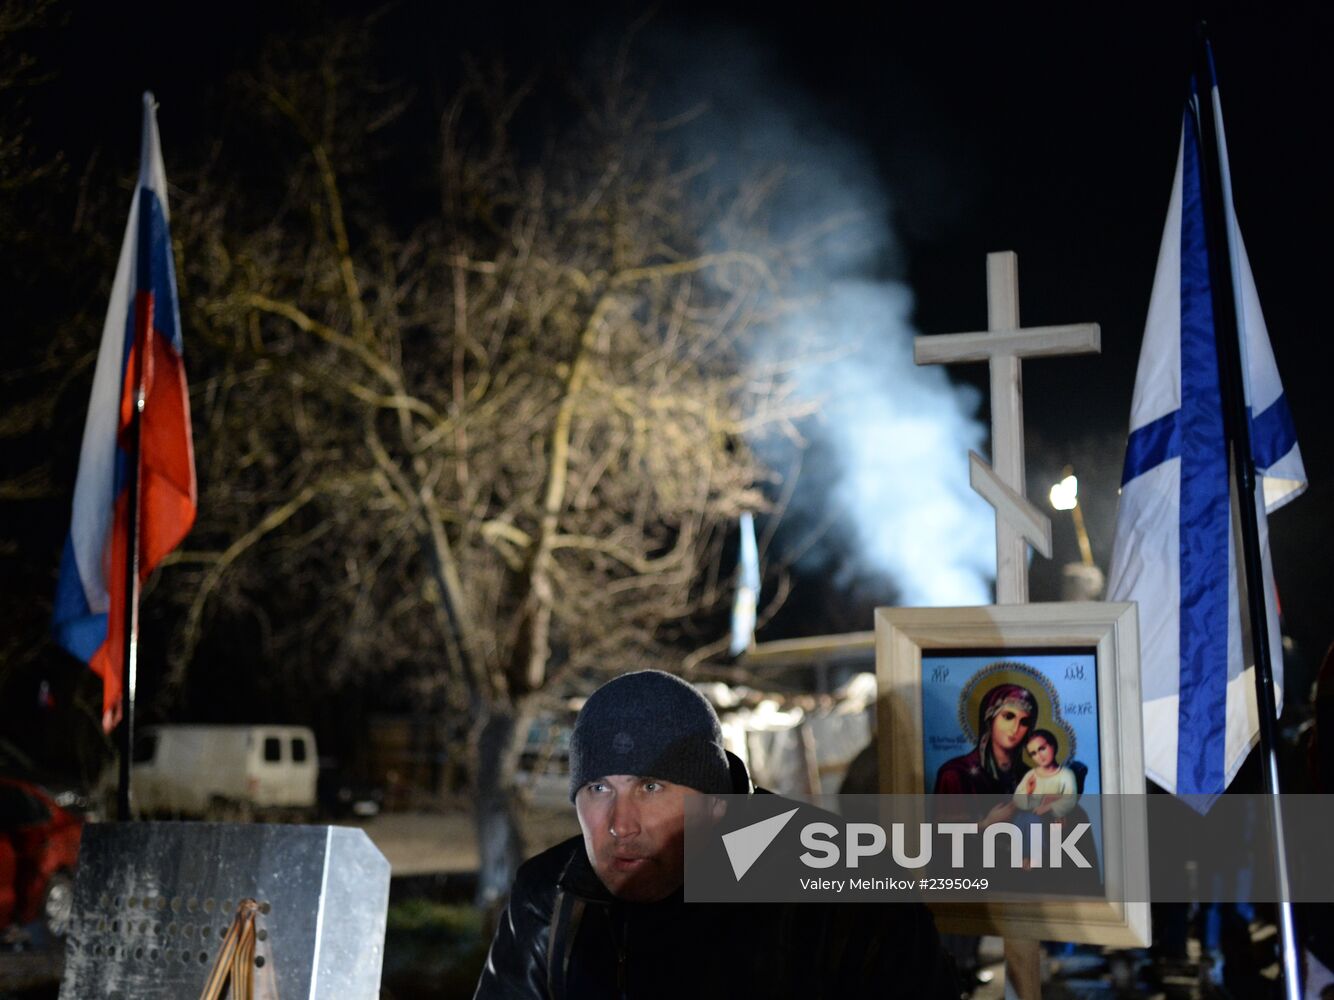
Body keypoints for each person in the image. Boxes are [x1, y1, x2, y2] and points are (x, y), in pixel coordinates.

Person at [475, 670, 957, 998]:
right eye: (598, 787)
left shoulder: (847, 890)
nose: (620, 823)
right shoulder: (550, 899)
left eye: (650, 786)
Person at [1012, 729, 1078, 819]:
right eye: (1033, 753)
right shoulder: (1031, 775)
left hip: (1055, 821)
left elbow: (1070, 800)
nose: (1039, 756)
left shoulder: (1066, 775)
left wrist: (1048, 807)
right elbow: (1017, 801)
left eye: (1042, 748)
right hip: (1031, 820)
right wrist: (1028, 791)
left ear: (1053, 745)